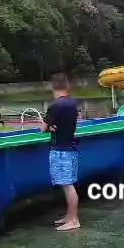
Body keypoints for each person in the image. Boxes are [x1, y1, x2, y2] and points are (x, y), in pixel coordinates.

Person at [42, 72, 80, 232]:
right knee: (68, 184)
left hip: (60, 150)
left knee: (67, 185)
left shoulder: (55, 106)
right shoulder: (72, 103)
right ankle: (69, 216)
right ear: (67, 85)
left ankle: (74, 220)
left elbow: (43, 128)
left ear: (52, 86)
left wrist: (49, 126)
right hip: (71, 148)